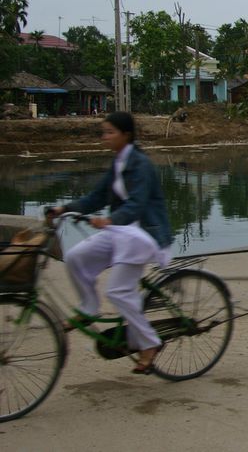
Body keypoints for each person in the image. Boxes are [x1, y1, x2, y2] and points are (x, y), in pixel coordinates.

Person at [48, 112, 173, 374]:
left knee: (118, 291)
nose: (105, 137)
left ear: (126, 135)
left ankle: (149, 344)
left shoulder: (141, 165)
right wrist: (64, 208)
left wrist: (110, 220)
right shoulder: (118, 162)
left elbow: (137, 204)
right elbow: (96, 197)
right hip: (121, 231)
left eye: (110, 132)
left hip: (143, 234)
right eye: (103, 132)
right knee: (75, 257)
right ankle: (88, 308)